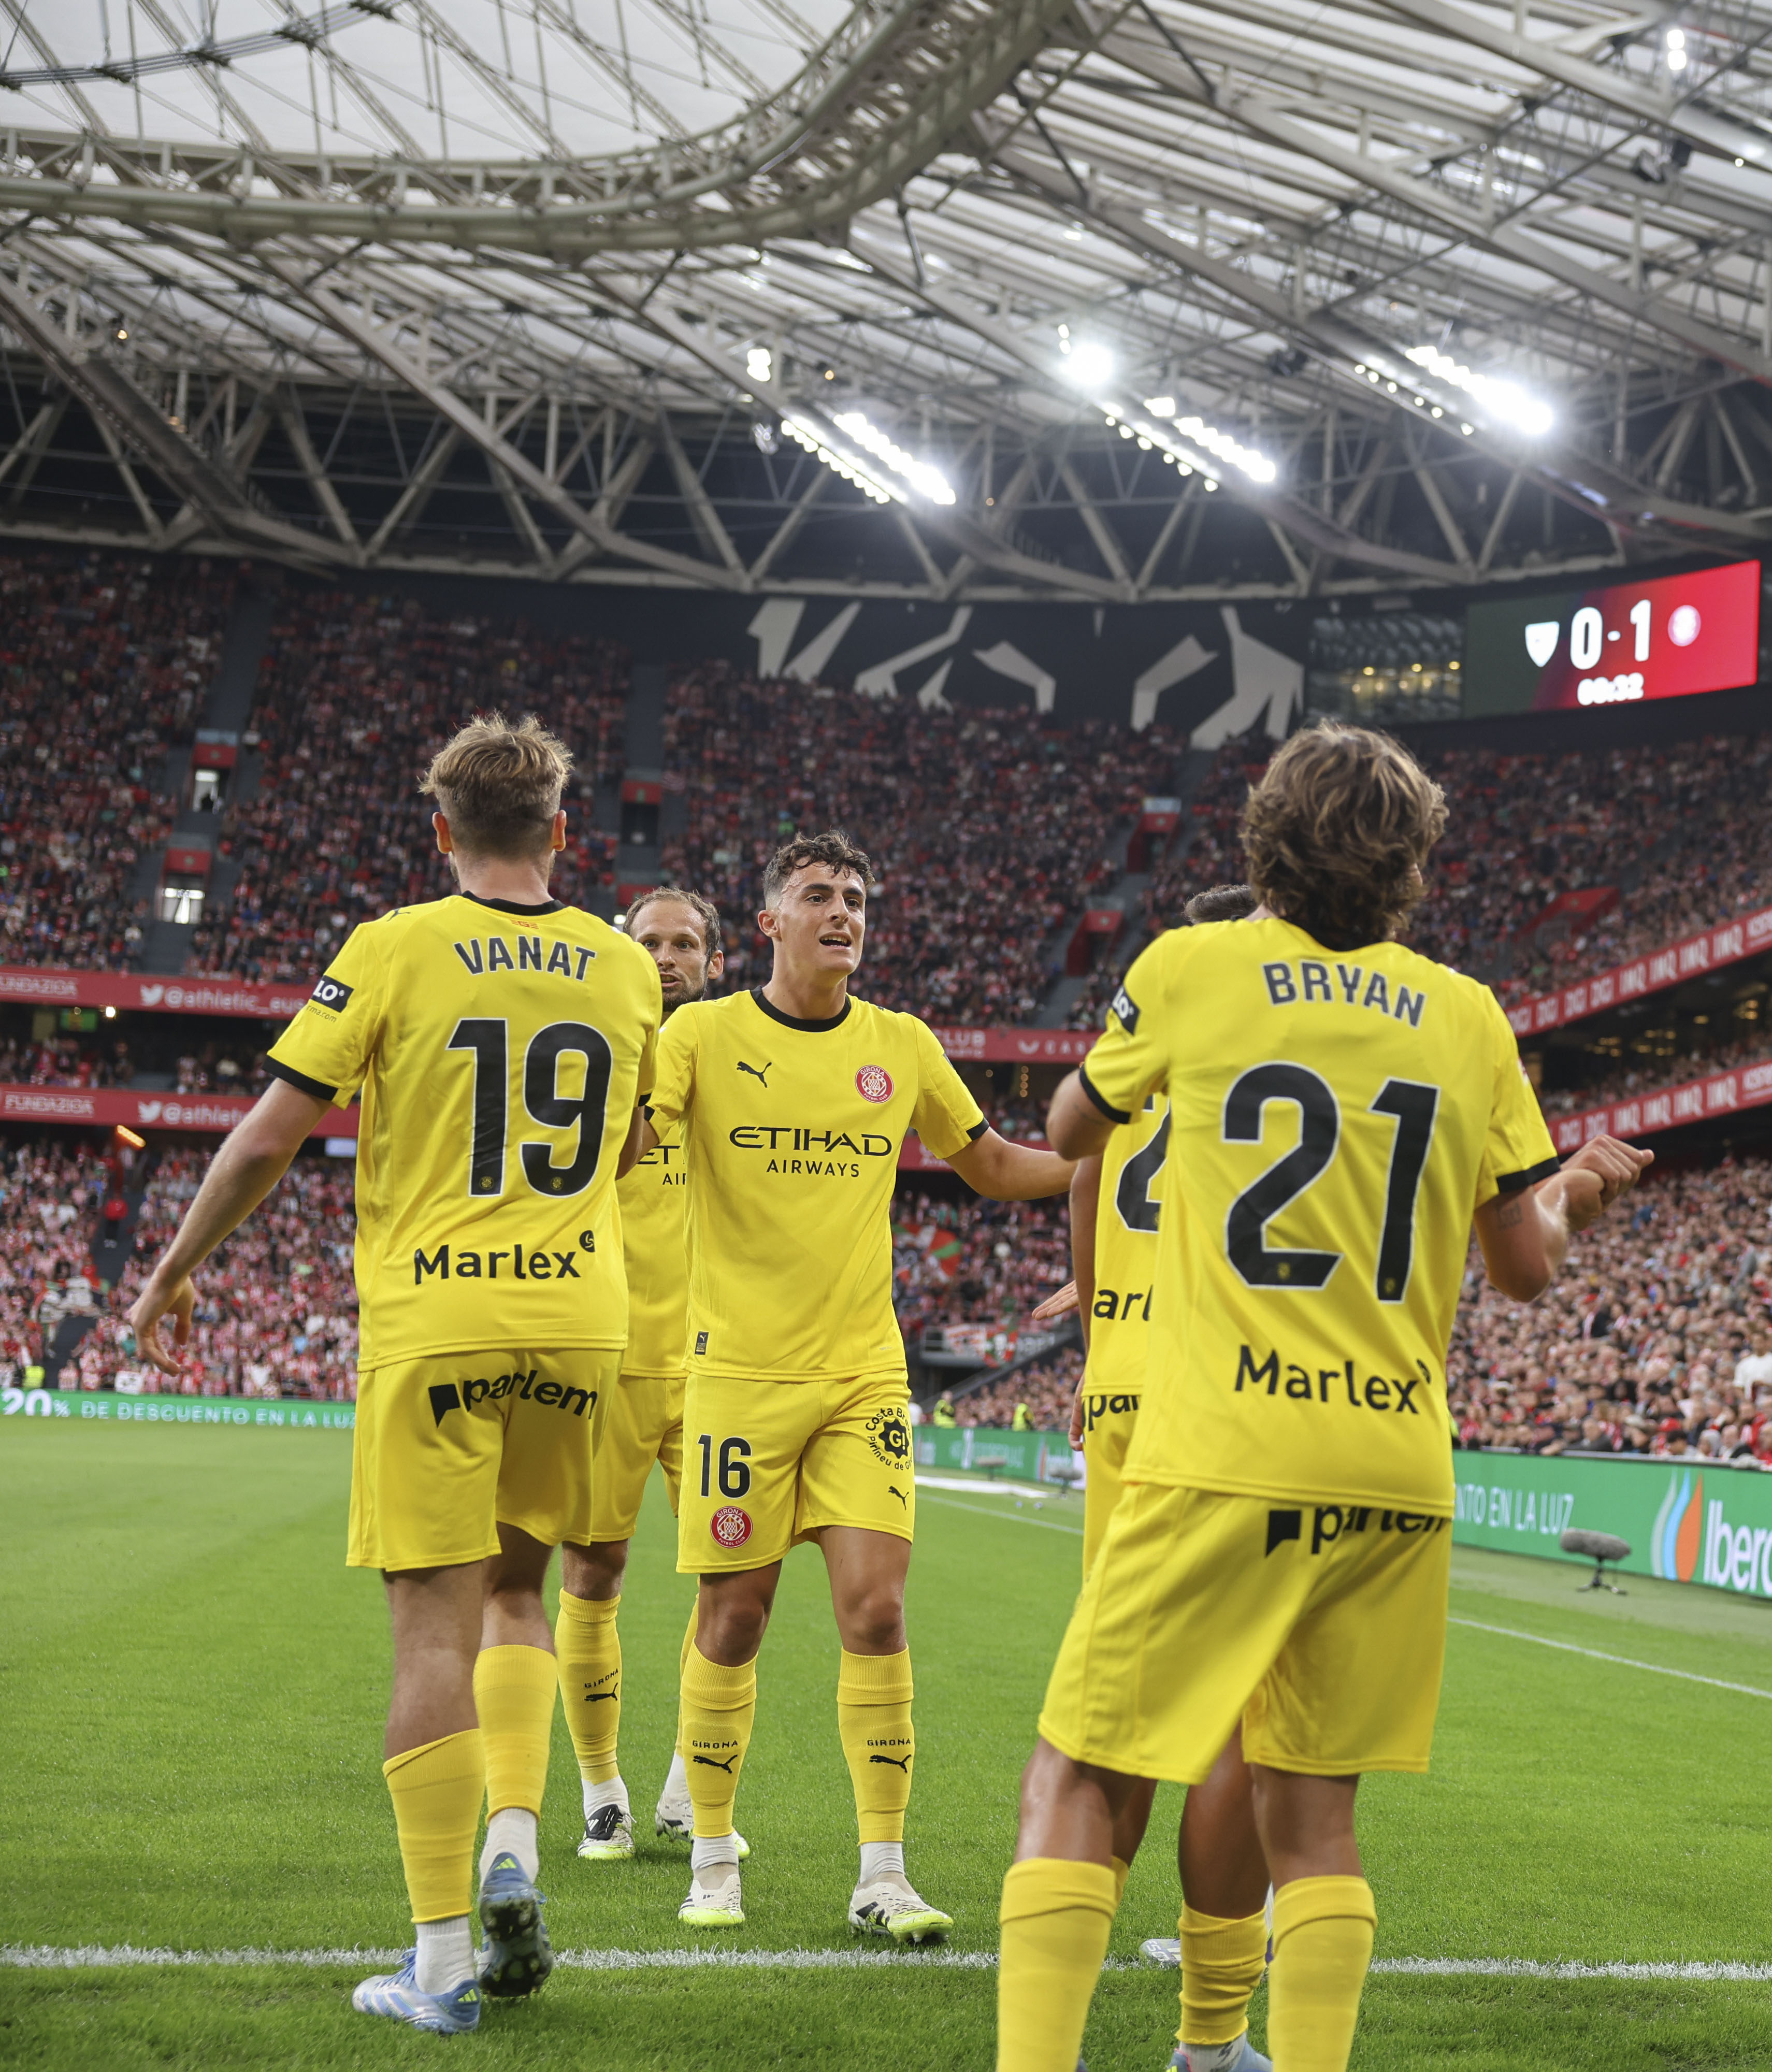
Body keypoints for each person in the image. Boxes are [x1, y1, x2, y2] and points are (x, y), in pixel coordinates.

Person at [1002, 722, 1651, 2072]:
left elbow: (1067, 1134)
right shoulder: (1471, 1015)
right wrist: (1578, 1190)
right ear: (1412, 861)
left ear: (1265, 838)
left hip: (1220, 1443)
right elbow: (1526, 1270)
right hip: (1394, 1471)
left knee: (1080, 1773)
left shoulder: (1192, 964)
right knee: (1317, 1821)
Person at [128, 714, 663, 2033]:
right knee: (522, 1597)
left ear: (441, 832)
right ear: (558, 832)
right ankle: (517, 1854)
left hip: (440, 1320)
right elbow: (636, 1142)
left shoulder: (393, 945)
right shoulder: (622, 965)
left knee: (432, 1623)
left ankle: (435, 1963)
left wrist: (172, 1266)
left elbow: (267, 1137)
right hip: (582, 1322)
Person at [660, 829, 1079, 1939]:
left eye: (854, 896)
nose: (841, 911)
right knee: (736, 1616)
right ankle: (710, 1853)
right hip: (740, 1376)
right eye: (816, 895)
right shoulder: (702, 1034)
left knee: (877, 1607)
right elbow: (631, 1146)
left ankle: (883, 1871)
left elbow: (990, 1163)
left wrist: (1105, 1169)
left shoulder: (901, 1043)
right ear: (771, 922)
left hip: (860, 1375)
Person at [1058, 882, 1276, 2072]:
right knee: (1243, 1707)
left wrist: (1097, 1325)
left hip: (1123, 1383)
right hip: (1221, 1389)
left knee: (1125, 1699)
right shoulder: (1256, 1046)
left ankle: (1061, 2002)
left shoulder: (1142, 1048)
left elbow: (1082, 1170)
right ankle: (1214, 2022)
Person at [553, 887, 724, 1864]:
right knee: (595, 1570)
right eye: (650, 942)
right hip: (612, 1363)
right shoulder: (597, 1058)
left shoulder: (734, 1054)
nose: (667, 957)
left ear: (713, 956)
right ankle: (601, 1789)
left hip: (716, 1369)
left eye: (686, 943)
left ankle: (682, 1787)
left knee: (728, 1581)